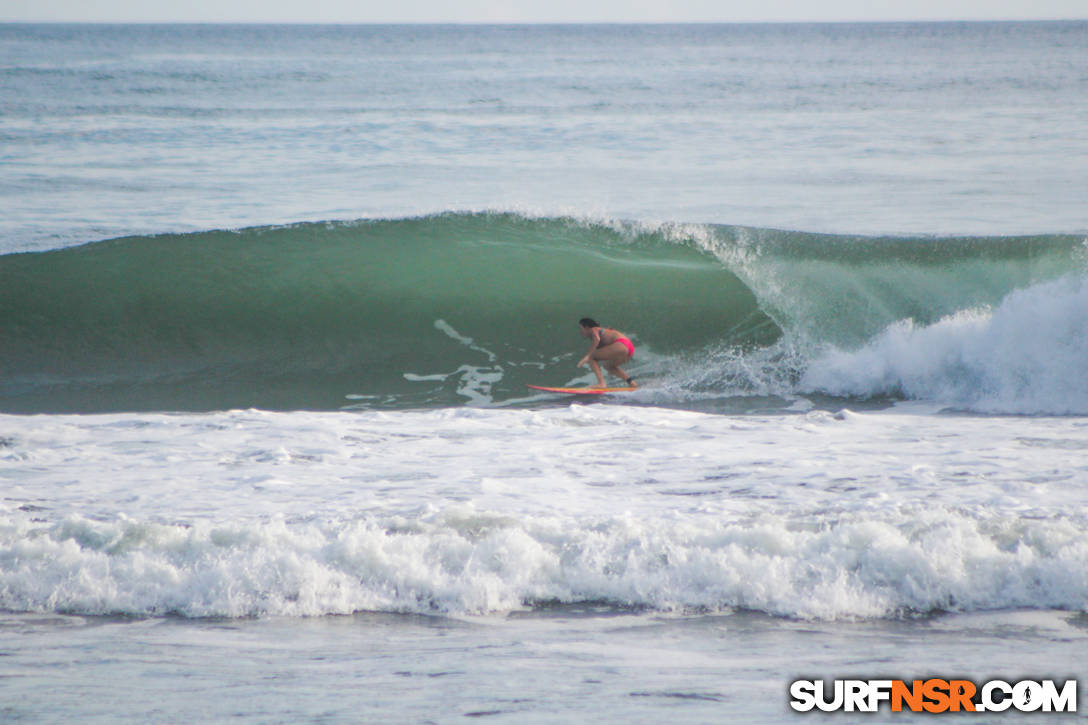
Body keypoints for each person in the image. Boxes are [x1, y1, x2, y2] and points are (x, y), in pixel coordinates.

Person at [577, 317, 637, 388]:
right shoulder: (601, 331)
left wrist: (587, 356)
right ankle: (631, 382)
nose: (580, 331)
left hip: (622, 344)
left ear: (587, 327)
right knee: (608, 366)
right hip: (629, 348)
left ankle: (601, 384)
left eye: (581, 329)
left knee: (591, 357)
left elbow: (597, 339)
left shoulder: (594, 329)